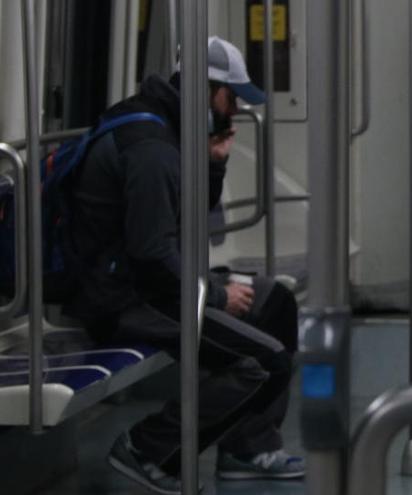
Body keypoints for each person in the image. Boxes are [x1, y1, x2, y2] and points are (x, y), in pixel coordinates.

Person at [62, 36, 304, 494]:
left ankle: (247, 449)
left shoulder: (169, 128)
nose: (233, 111)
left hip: (149, 283)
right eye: (231, 99)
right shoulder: (151, 146)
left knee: (277, 303)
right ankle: (148, 448)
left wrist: (213, 165)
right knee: (262, 360)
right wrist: (215, 295)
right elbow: (152, 257)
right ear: (210, 90)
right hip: (125, 299)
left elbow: (186, 224)